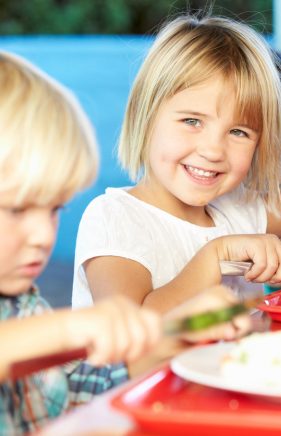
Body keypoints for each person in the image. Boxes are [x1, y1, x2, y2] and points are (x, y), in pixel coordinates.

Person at [72, 14, 281, 314]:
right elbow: (133, 328)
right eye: (192, 121)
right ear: (145, 118)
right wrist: (216, 256)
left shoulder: (236, 209)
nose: (214, 150)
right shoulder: (115, 217)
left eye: (238, 131)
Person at [0, 50, 249, 435]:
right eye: (17, 210)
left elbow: (64, 399)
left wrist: (167, 336)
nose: (43, 236)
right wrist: (70, 329)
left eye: (53, 210)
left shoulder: (21, 305)